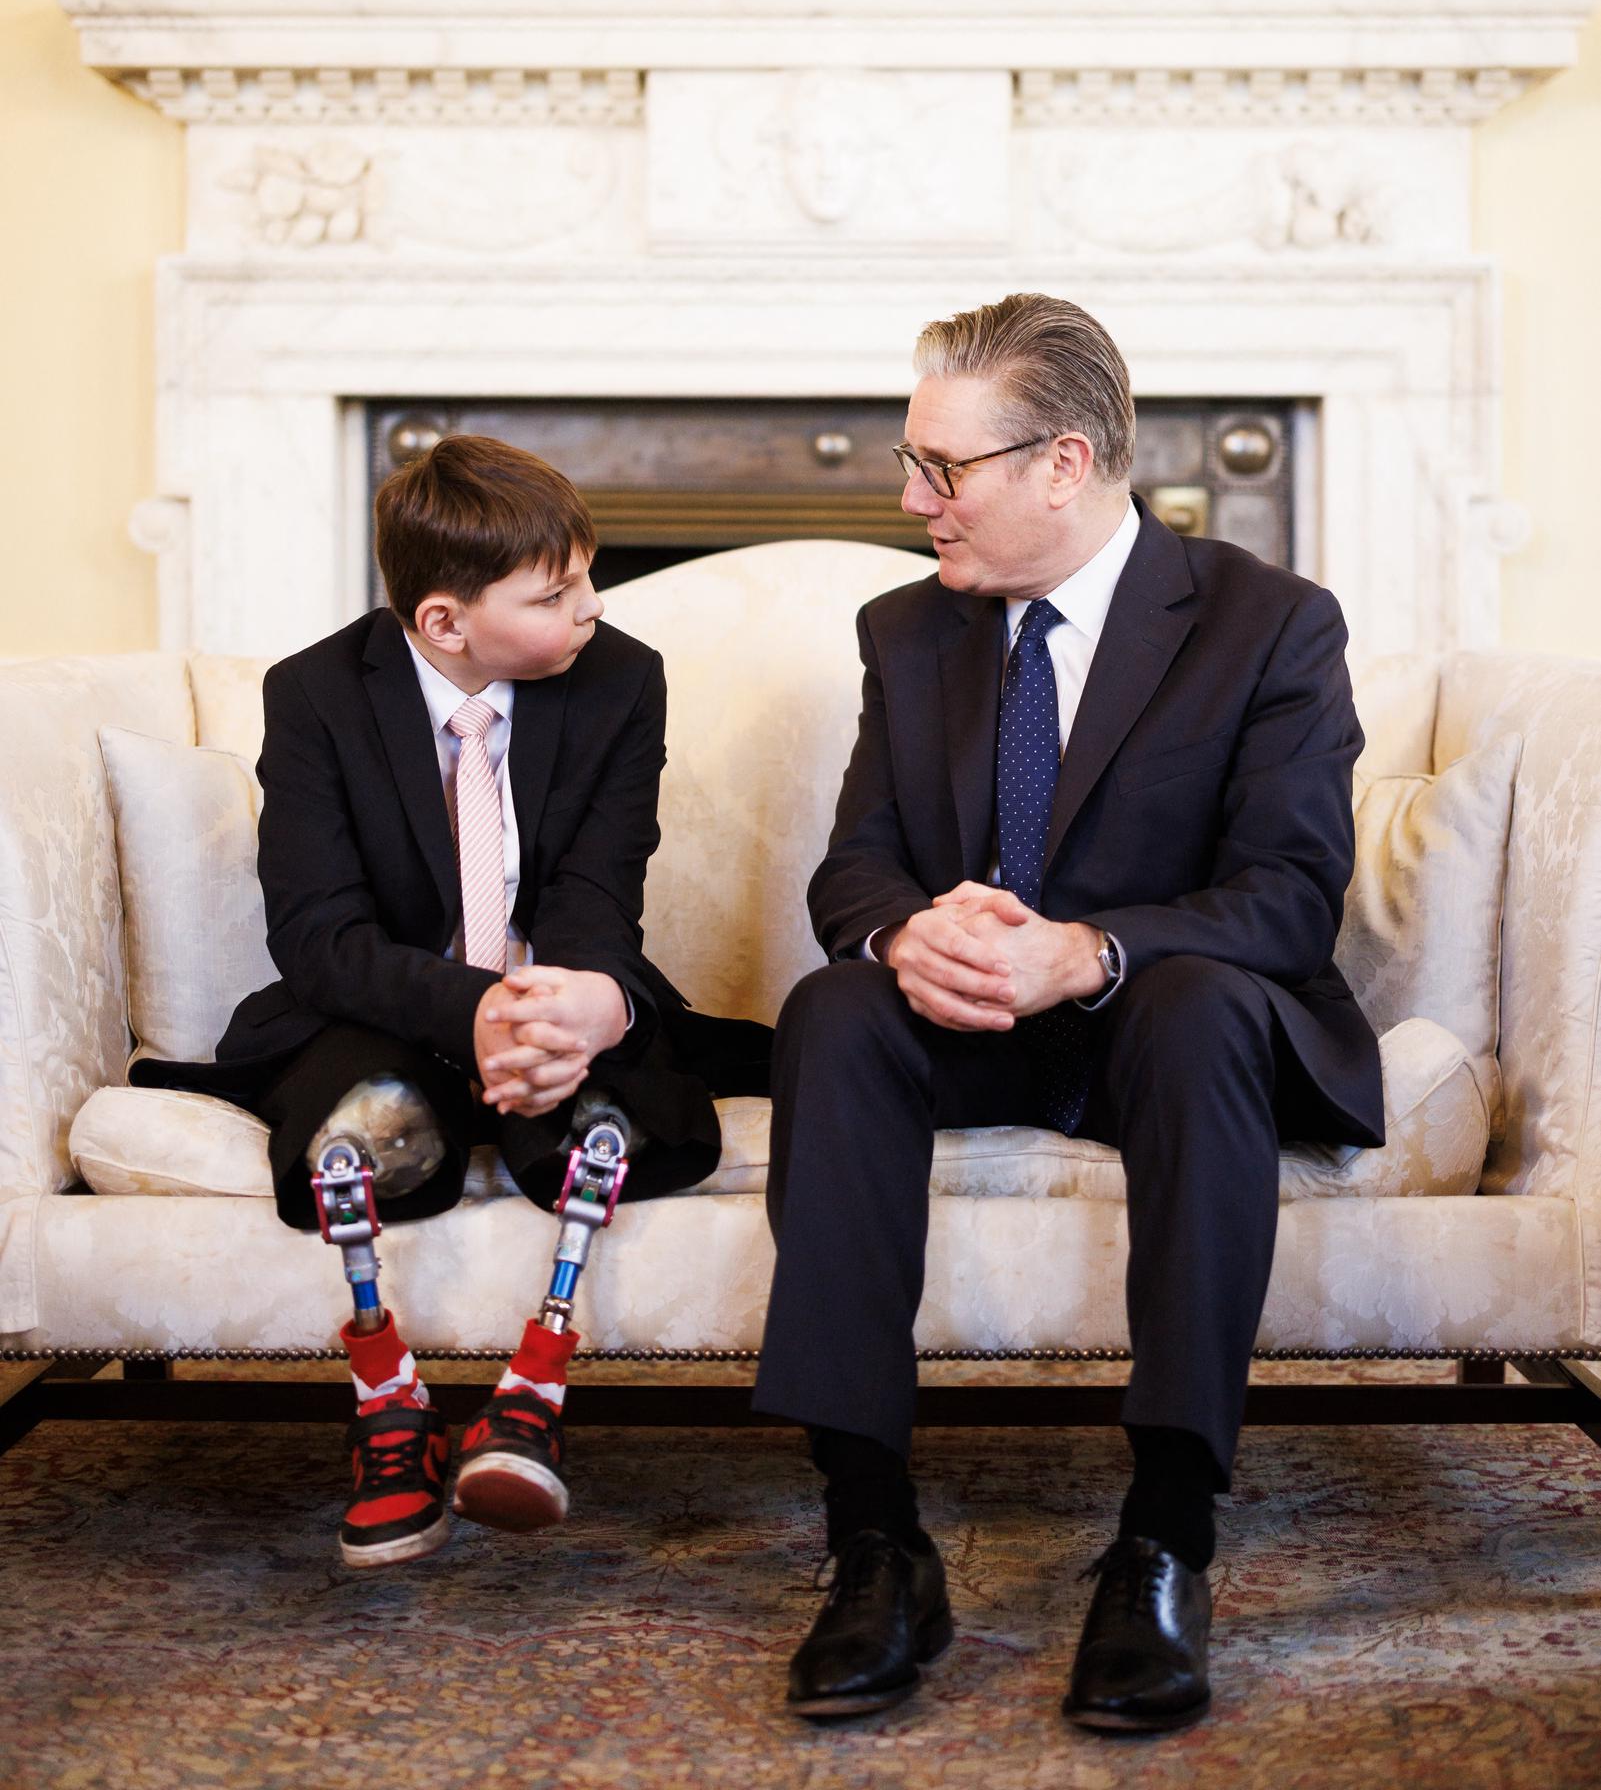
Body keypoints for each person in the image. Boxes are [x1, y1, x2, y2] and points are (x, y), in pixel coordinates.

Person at [753, 293, 1382, 1734]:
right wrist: (907, 930)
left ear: (1064, 461)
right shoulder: (909, 630)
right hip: (977, 1026)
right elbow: (855, 862)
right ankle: (871, 1540)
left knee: (1200, 1004)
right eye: (912, 464)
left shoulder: (1268, 623)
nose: (911, 499)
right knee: (836, 1011)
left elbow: (1288, 900)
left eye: (940, 470)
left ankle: (1166, 1538)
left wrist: (1086, 953)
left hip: (1172, 1038)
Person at [136, 433, 769, 1569]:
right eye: (555, 592)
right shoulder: (319, 695)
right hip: (388, 1004)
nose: (590, 608)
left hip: (554, 986)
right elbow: (320, 935)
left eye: (587, 576)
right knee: (365, 1127)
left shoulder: (621, 678)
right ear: (443, 622)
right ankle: (392, 1415)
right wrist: (471, 1012)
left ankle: (534, 1392)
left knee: (598, 1125)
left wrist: (565, 1008)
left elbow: (595, 889)